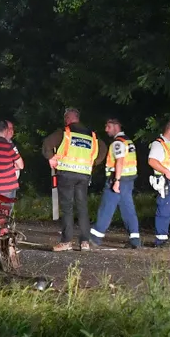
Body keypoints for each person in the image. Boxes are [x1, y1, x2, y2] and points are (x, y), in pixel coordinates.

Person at [42, 107, 102, 252]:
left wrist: (51, 158)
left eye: (65, 119)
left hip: (67, 174)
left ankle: (66, 241)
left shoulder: (65, 132)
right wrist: (93, 163)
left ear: (68, 118)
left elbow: (46, 144)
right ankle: (85, 243)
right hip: (83, 175)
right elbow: (103, 149)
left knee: (67, 208)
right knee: (82, 208)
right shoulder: (91, 135)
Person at [89, 118, 141, 249]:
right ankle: (135, 240)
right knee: (128, 210)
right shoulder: (128, 141)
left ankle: (95, 237)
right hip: (128, 180)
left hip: (118, 180)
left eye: (108, 127)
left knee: (107, 207)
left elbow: (120, 161)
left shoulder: (118, 143)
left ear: (116, 127)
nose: (106, 130)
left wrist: (116, 181)